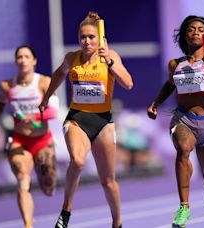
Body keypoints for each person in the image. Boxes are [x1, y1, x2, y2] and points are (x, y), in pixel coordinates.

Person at [38, 12, 133, 228]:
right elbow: (58, 75)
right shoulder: (72, 58)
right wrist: (46, 97)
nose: (86, 41)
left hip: (103, 122)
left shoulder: (110, 57)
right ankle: (66, 212)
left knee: (108, 181)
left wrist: (109, 61)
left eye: (91, 37)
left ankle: (117, 223)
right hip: (77, 118)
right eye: (82, 37)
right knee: (78, 161)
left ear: (99, 38)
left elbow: (128, 83)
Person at [147, 15, 204, 228]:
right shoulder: (175, 64)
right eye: (190, 29)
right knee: (183, 148)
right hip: (183, 118)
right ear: (184, 36)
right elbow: (170, 85)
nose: (195, 32)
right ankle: (184, 207)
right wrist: (155, 103)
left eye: (200, 29)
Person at [0, 44, 59, 228]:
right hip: (20, 141)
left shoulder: (44, 82)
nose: (23, 60)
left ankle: (46, 183)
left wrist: (34, 116)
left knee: (48, 188)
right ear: (15, 61)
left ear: (34, 61)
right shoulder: (7, 86)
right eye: (19, 57)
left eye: (27, 56)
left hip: (42, 141)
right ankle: (28, 224)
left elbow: (54, 111)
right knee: (22, 180)